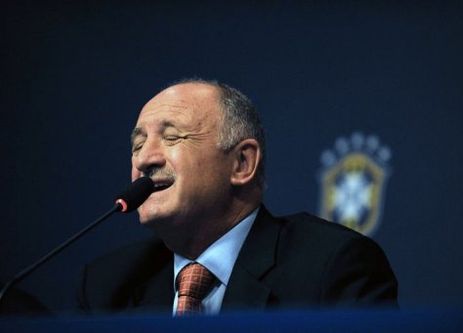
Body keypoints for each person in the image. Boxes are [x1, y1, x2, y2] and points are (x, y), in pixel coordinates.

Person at [78, 79, 398, 315]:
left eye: (172, 137)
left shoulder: (332, 267)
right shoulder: (107, 285)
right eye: (137, 146)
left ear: (242, 163)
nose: (144, 159)